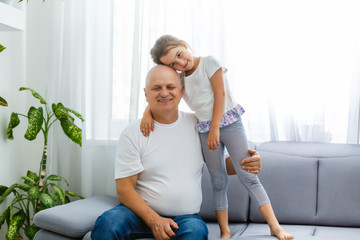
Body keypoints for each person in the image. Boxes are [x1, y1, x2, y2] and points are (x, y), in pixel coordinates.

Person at [140, 35, 294, 240]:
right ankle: (225, 232)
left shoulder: (209, 62)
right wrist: (146, 113)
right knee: (217, 180)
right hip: (205, 129)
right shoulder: (182, 79)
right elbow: (167, 96)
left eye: (179, 54)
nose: (180, 62)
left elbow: (220, 95)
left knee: (248, 175)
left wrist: (215, 128)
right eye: (173, 64)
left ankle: (275, 226)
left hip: (228, 123)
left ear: (184, 45)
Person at [91, 65, 262, 240]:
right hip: (137, 215)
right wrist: (154, 219)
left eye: (170, 87)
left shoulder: (200, 125)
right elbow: (124, 189)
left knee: (195, 233)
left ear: (181, 90)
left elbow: (220, 166)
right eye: (156, 88)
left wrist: (247, 162)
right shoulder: (132, 133)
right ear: (146, 93)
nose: (164, 93)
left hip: (186, 218)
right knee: (108, 223)